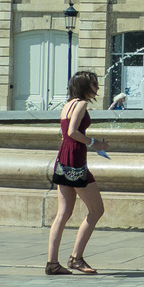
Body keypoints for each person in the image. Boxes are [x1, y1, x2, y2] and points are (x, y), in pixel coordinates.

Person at [46, 71, 107, 275]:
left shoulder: (67, 104)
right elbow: (72, 132)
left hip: (64, 156)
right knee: (97, 210)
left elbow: (65, 133)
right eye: (94, 84)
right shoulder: (81, 104)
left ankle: (52, 262)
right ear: (84, 86)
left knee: (63, 213)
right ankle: (76, 257)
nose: (97, 88)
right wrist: (94, 142)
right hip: (75, 160)